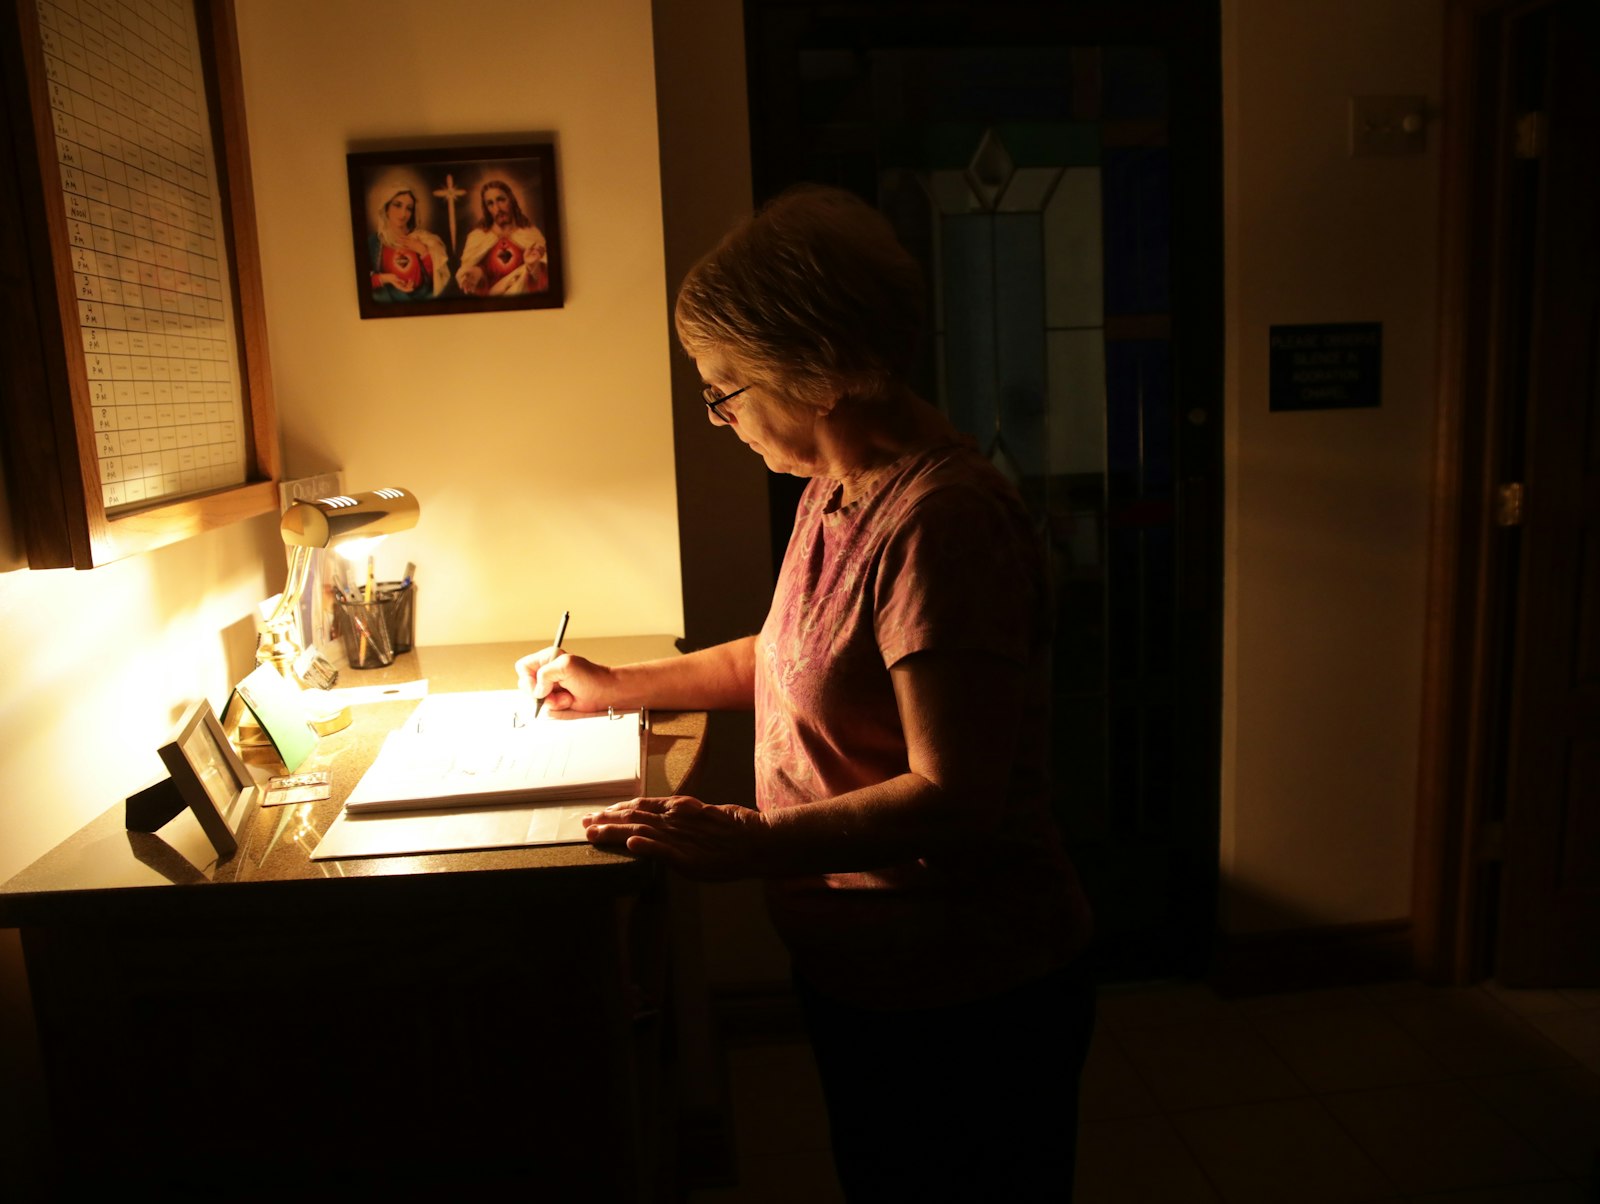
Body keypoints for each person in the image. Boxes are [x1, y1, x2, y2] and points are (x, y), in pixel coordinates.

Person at [517, 185, 1094, 1202]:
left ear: (816, 371)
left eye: (725, 388)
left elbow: (953, 797)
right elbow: (796, 654)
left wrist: (755, 843)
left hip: (965, 987)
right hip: (866, 970)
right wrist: (617, 686)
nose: (721, 415)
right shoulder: (834, 488)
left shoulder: (941, 524)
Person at [455, 178, 547, 296]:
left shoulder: (531, 234)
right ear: (487, 209)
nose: (497, 209)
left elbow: (544, 278)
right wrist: (476, 274)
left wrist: (532, 267)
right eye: (490, 203)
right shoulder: (477, 237)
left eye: (501, 200)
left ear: (511, 200)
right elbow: (475, 282)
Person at [367, 188, 449, 302]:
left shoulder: (423, 239)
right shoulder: (374, 243)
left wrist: (423, 252)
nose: (403, 213)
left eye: (409, 208)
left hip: (423, 301)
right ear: (386, 208)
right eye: (397, 205)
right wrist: (387, 279)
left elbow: (438, 280)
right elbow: (362, 283)